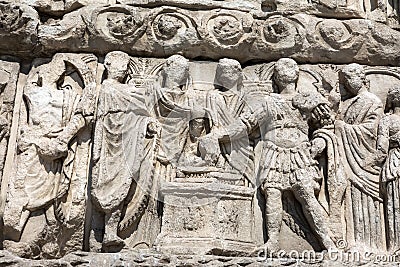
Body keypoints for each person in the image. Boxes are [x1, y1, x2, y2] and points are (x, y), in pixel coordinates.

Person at [201, 58, 335, 253]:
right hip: (274, 153)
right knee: (273, 194)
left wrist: (321, 141)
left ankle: (327, 241)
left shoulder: (309, 100)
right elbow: (245, 125)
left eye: (289, 69)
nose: (285, 73)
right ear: (276, 78)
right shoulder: (268, 102)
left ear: (296, 75)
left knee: (306, 194)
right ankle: (272, 241)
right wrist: (219, 135)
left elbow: (326, 125)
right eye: (281, 70)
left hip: (300, 152)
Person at [91, 51, 159, 251]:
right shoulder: (104, 89)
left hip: (127, 140)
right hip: (107, 141)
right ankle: (102, 231)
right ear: (108, 65)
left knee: (124, 181)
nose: (121, 68)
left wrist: (147, 123)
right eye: (117, 64)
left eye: (125, 64)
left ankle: (111, 233)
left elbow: (140, 112)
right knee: (105, 182)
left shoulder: (128, 90)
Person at [314, 63, 385, 251]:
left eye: (349, 78)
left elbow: (371, 130)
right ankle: (351, 241)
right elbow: (334, 122)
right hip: (346, 157)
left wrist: (341, 127)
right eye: (344, 80)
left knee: (365, 201)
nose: (346, 83)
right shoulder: (346, 103)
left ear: (362, 78)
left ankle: (369, 244)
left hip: (362, 159)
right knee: (350, 199)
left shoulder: (372, 101)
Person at [378, 86, 400, 252]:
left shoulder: (388, 120)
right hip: (394, 162)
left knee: (395, 203)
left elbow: (382, 147)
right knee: (394, 204)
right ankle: (395, 246)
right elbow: (382, 148)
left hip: (394, 160)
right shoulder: (387, 120)